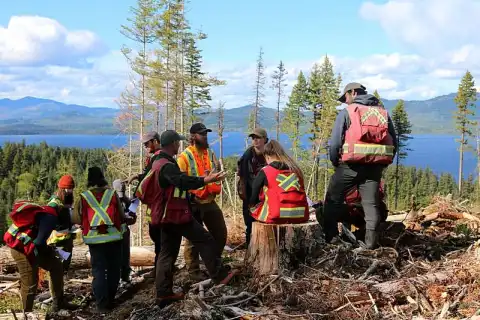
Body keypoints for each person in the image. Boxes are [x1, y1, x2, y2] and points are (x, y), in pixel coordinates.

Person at [135, 129, 236, 308]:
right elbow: (182, 182)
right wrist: (206, 180)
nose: (179, 145)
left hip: (166, 215)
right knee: (205, 239)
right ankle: (220, 276)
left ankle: (164, 294)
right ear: (173, 143)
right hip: (175, 215)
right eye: (177, 142)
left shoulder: (156, 162)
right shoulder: (166, 165)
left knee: (167, 253)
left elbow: (172, 186)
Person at [323, 82, 397, 249]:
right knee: (371, 204)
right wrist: (382, 164)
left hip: (350, 166)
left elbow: (335, 143)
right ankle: (370, 244)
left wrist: (336, 162)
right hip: (374, 167)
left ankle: (332, 238)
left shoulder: (348, 112)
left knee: (332, 200)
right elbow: (394, 140)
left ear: (354, 93)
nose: (346, 101)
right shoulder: (382, 113)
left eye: (346, 97)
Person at [3, 201, 77, 312]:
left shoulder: (49, 214)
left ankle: (59, 303)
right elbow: (39, 243)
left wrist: (53, 252)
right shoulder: (50, 218)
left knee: (56, 265)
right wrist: (52, 250)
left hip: (32, 245)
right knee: (30, 282)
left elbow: (40, 241)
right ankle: (26, 314)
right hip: (21, 249)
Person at [177, 123, 227, 280]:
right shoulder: (184, 157)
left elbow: (215, 172)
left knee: (220, 233)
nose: (205, 137)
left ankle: (213, 263)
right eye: (202, 134)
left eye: (206, 134)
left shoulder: (210, 154)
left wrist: (218, 180)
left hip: (209, 200)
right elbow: (180, 181)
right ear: (193, 137)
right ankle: (193, 272)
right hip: (193, 203)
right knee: (192, 240)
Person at [72, 167, 126, 313]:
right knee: (114, 269)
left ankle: (102, 305)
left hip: (95, 240)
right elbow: (121, 216)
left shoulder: (84, 197)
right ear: (102, 178)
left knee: (99, 271)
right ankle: (111, 300)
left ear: (89, 179)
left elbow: (76, 219)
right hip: (114, 238)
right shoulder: (112, 194)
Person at [126, 131, 162, 276]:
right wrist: (138, 176)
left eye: (147, 144)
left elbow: (147, 180)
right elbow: (147, 176)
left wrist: (132, 205)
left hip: (158, 210)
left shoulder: (158, 158)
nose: (146, 147)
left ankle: (161, 271)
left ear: (155, 141)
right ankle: (160, 269)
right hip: (154, 209)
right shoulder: (155, 158)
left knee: (159, 240)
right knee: (158, 240)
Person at [249, 140, 309, 224]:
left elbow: (253, 196)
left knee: (252, 211)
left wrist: (252, 205)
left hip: (275, 215)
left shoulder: (265, 171)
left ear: (267, 157)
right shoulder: (295, 169)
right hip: (301, 215)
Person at [237, 128, 268, 246]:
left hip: (266, 194)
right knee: (250, 223)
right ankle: (250, 248)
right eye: (253, 138)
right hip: (250, 194)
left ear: (265, 139)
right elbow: (242, 177)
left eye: (258, 138)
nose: (255, 140)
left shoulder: (269, 154)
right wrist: (246, 197)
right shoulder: (247, 156)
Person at [46, 174, 76, 274]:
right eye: (69, 188)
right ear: (63, 189)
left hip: (66, 239)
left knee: (66, 262)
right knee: (59, 264)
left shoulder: (66, 202)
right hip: (57, 241)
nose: (71, 191)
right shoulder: (54, 203)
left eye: (72, 188)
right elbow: (48, 220)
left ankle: (63, 277)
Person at [113, 179, 136, 286]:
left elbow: (133, 218)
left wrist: (130, 218)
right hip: (113, 232)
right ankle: (115, 278)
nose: (120, 197)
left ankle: (125, 276)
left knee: (125, 254)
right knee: (115, 256)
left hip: (124, 231)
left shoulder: (128, 201)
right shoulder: (110, 201)